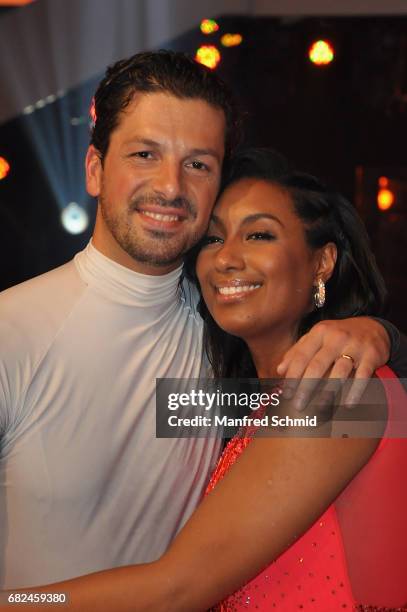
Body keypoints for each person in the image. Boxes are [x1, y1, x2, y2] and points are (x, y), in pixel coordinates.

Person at [0, 51, 405, 590]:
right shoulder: (14, 330)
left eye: (197, 164)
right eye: (145, 154)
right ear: (95, 170)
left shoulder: (221, 320)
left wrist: (379, 334)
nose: (171, 186)